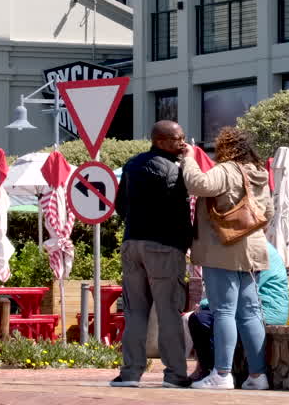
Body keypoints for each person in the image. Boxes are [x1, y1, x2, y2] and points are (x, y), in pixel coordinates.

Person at [181, 126, 273, 391]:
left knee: (224, 311)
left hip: (223, 249)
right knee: (251, 312)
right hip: (253, 249)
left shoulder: (227, 170)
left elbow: (198, 184)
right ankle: (258, 376)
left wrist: (189, 159)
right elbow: (268, 211)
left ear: (225, 147)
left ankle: (222, 374)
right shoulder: (259, 174)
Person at [111, 120, 194, 389]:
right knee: (169, 310)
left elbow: (120, 204)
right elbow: (178, 210)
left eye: (182, 137)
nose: (182, 143)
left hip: (132, 242)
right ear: (159, 140)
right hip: (164, 245)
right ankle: (175, 375)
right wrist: (185, 240)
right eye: (176, 139)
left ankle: (130, 374)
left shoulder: (132, 165)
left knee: (135, 311)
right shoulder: (174, 169)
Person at [187, 240, 289, 382]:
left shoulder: (256, 251)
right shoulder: (263, 248)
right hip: (268, 310)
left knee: (201, 319)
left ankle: (213, 372)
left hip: (265, 311)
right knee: (219, 316)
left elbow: (236, 296)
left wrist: (204, 304)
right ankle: (255, 375)